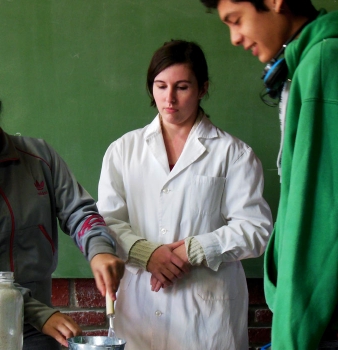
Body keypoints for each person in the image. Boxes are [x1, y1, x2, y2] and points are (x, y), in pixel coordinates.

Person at [97, 39, 272, 350]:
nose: (169, 99)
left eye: (182, 87)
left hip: (208, 318)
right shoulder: (124, 150)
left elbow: (255, 229)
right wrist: (145, 253)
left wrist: (193, 250)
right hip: (140, 309)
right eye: (160, 86)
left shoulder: (234, 153)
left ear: (203, 88)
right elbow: (106, 221)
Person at [199, 0, 338, 349]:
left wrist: (290, 340)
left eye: (236, 20)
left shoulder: (322, 63)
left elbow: (320, 219)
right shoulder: (307, 63)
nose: (233, 38)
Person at [0, 102, 125, 350]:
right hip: (33, 316)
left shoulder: (38, 157)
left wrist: (99, 249)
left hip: (36, 330)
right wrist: (37, 313)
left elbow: (78, 210)